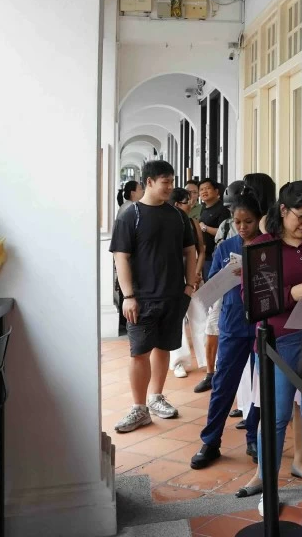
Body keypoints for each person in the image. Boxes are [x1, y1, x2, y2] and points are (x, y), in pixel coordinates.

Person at [231, 181, 302, 501]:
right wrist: (291, 293)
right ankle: (265, 480)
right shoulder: (263, 247)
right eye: (301, 215)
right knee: (276, 414)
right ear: (283, 211)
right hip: (278, 341)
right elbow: (251, 300)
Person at [110, 160, 199, 434]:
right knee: (139, 352)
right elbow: (121, 256)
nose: (170, 187)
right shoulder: (130, 215)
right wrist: (128, 296)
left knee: (163, 347)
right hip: (141, 299)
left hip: (173, 295)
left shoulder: (177, 216)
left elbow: (190, 251)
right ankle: (139, 408)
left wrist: (189, 285)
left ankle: (156, 397)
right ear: (149, 182)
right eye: (165, 182)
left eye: (172, 181)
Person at [191, 188, 266, 468]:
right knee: (223, 384)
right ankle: (210, 441)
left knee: (260, 386)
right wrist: (224, 278)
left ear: (259, 219)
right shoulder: (225, 247)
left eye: (248, 221)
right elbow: (212, 284)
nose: (243, 227)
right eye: (238, 222)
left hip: (261, 324)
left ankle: (254, 439)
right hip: (233, 324)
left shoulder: (268, 246)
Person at [194, 178, 230, 393]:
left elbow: (217, 235)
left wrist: (204, 228)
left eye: (208, 188)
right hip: (211, 263)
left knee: (215, 318)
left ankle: (217, 370)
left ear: (218, 192)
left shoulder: (223, 213)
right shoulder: (202, 209)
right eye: (201, 189)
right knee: (211, 314)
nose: (204, 192)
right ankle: (210, 372)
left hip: (222, 267)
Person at [169, 187, 207, 379]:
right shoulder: (167, 223)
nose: (191, 204)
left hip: (195, 277)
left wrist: (196, 273)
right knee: (177, 321)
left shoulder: (192, 222)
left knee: (201, 316)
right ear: (177, 204)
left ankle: (207, 359)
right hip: (174, 277)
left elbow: (201, 250)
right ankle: (179, 362)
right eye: (187, 202)